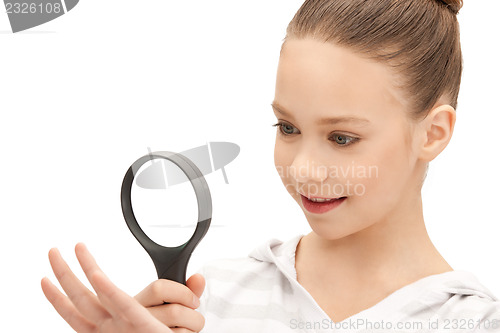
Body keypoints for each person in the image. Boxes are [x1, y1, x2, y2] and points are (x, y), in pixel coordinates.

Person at [41, 0, 500, 332]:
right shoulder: (211, 296)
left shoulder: (475, 322)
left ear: (433, 133)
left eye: (342, 138)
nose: (303, 169)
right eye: (287, 128)